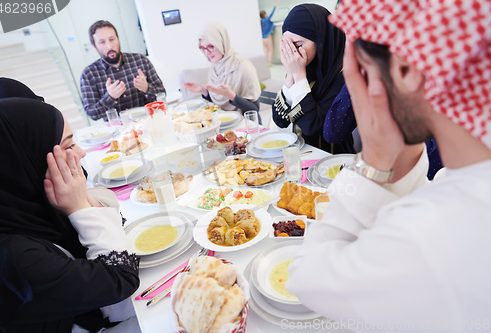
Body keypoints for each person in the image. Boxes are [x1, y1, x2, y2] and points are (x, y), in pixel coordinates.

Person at [286, 0, 491, 330]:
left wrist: (374, 163)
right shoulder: (464, 182)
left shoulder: (425, 238)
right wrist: (402, 164)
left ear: (405, 70)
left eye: (362, 71)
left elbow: (305, 278)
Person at [0, 98, 140, 332]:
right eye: (68, 146)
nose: (81, 153)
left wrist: (82, 201)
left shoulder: (29, 208)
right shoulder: (15, 257)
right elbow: (120, 279)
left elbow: (115, 226)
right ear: (26, 158)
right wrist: (79, 207)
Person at [272, 4, 353, 153]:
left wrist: (298, 76)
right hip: (302, 156)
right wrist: (290, 76)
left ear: (321, 42)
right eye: (287, 45)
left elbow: (312, 127)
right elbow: (280, 120)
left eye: (297, 45)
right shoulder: (302, 67)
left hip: (332, 161)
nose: (292, 53)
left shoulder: (345, 75)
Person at [80, 20, 165, 121]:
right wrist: (110, 97)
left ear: (118, 40)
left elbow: (162, 95)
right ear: (95, 47)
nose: (109, 46)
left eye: (112, 39)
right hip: (117, 130)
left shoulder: (140, 60)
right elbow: (92, 114)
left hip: (148, 121)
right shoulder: (89, 74)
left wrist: (147, 88)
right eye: (102, 42)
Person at [183, 21, 261, 113]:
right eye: (203, 48)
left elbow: (255, 109)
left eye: (210, 46)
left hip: (246, 124)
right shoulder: (215, 67)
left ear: (222, 43)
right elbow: (218, 106)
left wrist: (231, 96)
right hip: (224, 123)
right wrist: (204, 91)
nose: (207, 53)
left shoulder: (243, 67)